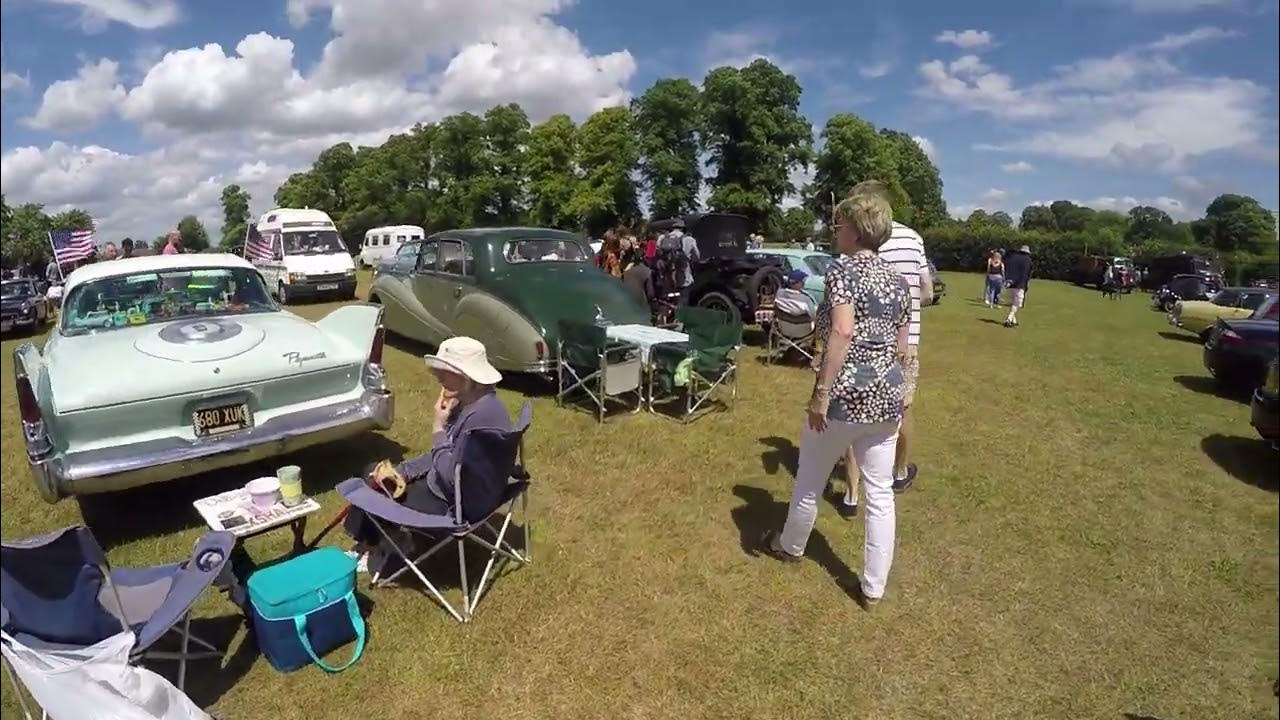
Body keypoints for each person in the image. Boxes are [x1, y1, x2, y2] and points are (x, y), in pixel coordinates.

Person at [761, 192, 910, 608]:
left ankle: (790, 546)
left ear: (857, 230)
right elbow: (902, 346)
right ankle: (873, 588)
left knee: (809, 477)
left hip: (846, 395)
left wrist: (822, 392)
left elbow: (841, 331)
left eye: (840, 225)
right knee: (881, 493)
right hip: (887, 396)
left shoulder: (842, 271)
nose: (835, 231)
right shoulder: (897, 281)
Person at [344, 337, 511, 572]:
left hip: (453, 506)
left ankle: (377, 545)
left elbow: (450, 474)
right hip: (463, 493)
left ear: (466, 375)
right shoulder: (477, 405)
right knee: (376, 472)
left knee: (370, 488)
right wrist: (404, 470)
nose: (438, 378)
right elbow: (442, 456)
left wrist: (438, 428)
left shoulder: (478, 420)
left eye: (444, 372)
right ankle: (376, 540)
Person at [836, 180, 932, 514]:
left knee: (853, 410)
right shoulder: (913, 238)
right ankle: (899, 472)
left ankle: (851, 494)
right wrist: (901, 307)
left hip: (861, 343)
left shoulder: (854, 238)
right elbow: (927, 292)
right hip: (905, 344)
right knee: (900, 410)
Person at [1003, 245, 1033, 327]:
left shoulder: (1012, 258)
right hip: (1020, 283)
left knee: (1012, 301)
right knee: (1017, 303)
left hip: (1010, 283)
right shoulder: (1028, 260)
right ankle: (1009, 318)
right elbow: (1027, 274)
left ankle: (1013, 320)